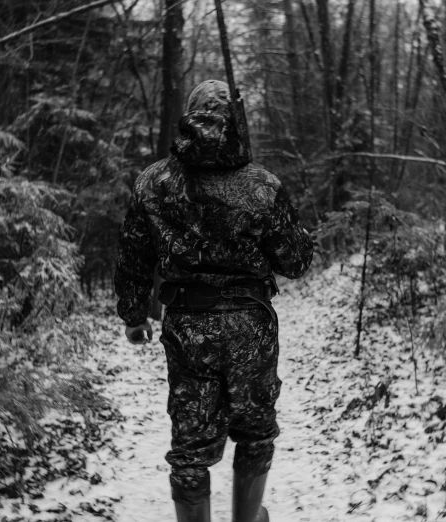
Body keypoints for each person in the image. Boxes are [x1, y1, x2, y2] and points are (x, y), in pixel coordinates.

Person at [115, 79, 313, 522]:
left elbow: (133, 257)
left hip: (187, 325)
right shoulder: (262, 185)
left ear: (190, 118)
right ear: (236, 121)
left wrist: (133, 315)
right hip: (251, 323)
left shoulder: (154, 183)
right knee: (256, 431)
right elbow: (295, 261)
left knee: (190, 446)